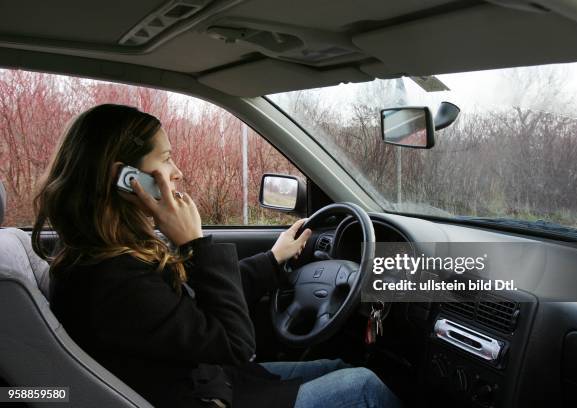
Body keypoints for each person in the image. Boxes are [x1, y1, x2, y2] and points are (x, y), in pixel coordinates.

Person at [32, 104, 404, 408]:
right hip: (206, 394)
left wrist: (272, 260)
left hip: (204, 383)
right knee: (363, 387)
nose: (177, 172)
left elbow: (190, 302)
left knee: (338, 365)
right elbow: (236, 344)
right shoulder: (112, 279)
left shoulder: (102, 255)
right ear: (126, 177)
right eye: (166, 159)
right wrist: (195, 243)